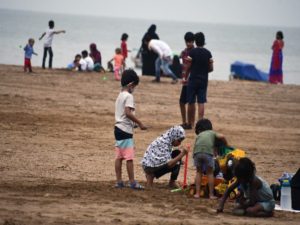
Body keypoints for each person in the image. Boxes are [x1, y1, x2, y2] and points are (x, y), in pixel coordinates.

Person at [114, 69, 147, 189]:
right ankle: (132, 182)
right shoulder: (129, 96)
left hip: (117, 128)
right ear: (130, 84)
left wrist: (133, 124)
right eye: (134, 86)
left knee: (119, 156)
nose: (134, 88)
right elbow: (127, 113)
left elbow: (122, 114)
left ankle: (119, 181)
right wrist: (139, 122)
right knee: (129, 157)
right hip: (125, 130)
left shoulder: (120, 95)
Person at [183, 32, 213, 129]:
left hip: (193, 79)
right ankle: (200, 123)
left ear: (195, 41)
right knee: (201, 102)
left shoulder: (192, 52)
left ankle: (190, 123)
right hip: (203, 80)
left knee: (191, 101)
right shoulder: (208, 53)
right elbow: (211, 68)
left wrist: (185, 77)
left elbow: (188, 67)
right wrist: (204, 70)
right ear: (204, 41)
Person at [193, 119, 227, 199]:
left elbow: (197, 145)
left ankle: (197, 193)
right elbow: (222, 136)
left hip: (197, 153)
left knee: (198, 172)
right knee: (210, 173)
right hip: (207, 153)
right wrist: (226, 144)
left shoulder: (199, 135)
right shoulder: (212, 133)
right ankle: (211, 194)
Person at [179, 32, 194, 129]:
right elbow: (182, 64)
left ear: (193, 41)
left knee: (191, 103)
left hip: (192, 81)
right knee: (182, 102)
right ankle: (184, 122)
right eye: (187, 41)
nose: (189, 43)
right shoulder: (184, 52)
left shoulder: (194, 52)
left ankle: (190, 123)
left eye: (190, 42)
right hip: (185, 81)